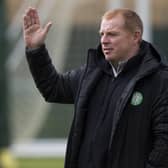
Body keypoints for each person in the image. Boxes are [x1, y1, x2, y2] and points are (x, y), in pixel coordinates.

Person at [23, 7, 168, 168]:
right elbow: (53, 89)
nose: (104, 40)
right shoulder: (90, 73)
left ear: (135, 36)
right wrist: (36, 50)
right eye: (102, 34)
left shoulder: (160, 81)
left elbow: (164, 143)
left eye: (112, 34)